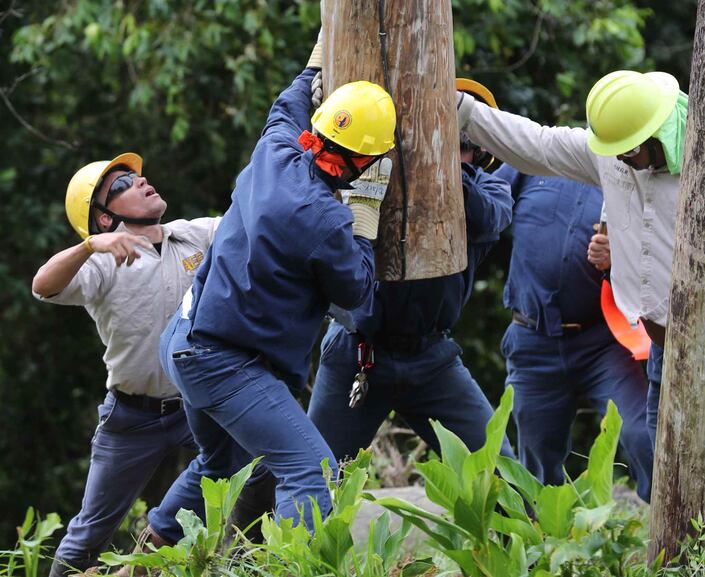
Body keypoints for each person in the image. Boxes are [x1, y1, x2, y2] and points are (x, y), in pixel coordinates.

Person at [455, 69, 705, 515]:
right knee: (669, 470)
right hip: (664, 347)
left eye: (629, 152)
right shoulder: (616, 154)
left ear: (657, 132)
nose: (622, 162)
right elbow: (539, 144)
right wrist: (463, 110)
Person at [141, 39, 398, 554]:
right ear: (365, 162)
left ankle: (143, 561)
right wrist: (365, 220)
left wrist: (316, 61)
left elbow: (289, 101)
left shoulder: (275, 150)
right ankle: (290, 566)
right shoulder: (327, 222)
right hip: (224, 362)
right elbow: (357, 295)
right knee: (309, 469)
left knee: (219, 467)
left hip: (184, 343)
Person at [32, 153, 220, 577]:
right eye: (121, 186)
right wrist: (87, 247)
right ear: (103, 219)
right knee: (88, 535)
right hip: (132, 417)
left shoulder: (195, 235)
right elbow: (43, 286)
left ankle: (159, 553)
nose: (140, 181)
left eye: (137, 176)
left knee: (254, 467)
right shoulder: (100, 263)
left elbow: (255, 223)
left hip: (195, 404)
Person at [306, 79, 514, 463]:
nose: (453, 143)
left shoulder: (489, 191)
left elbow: (489, 218)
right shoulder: (371, 168)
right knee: (314, 476)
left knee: (502, 476)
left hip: (431, 355)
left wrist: (437, 165)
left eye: (462, 140)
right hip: (359, 350)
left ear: (483, 151)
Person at [494, 163, 653, 501]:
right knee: (537, 466)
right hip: (532, 341)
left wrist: (620, 255)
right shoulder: (532, 163)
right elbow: (482, 209)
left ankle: (680, 534)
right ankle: (545, 547)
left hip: (603, 343)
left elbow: (662, 253)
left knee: (642, 434)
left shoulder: (633, 177)